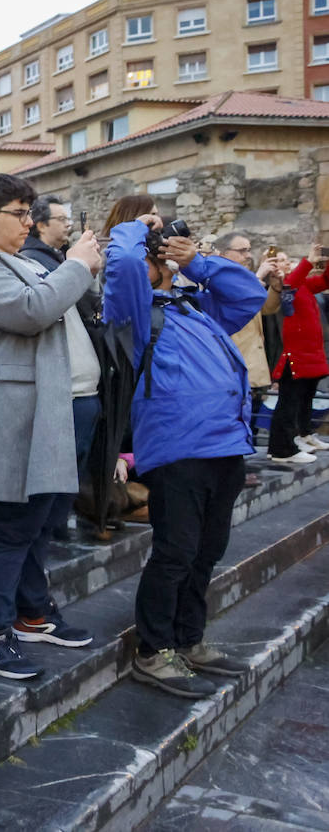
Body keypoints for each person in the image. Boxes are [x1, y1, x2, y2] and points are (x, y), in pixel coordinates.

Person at [104, 215, 266, 697]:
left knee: (207, 551)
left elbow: (249, 295)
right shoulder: (132, 309)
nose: (162, 263)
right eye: (158, 259)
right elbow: (124, 266)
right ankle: (154, 651)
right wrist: (136, 226)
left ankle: (188, 639)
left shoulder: (195, 306)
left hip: (227, 445)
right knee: (175, 552)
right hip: (178, 448)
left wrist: (195, 260)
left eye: (163, 257)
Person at [0, 173, 102, 682]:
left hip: (38, 410)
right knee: (8, 523)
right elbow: (35, 310)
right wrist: (77, 263)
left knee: (36, 520)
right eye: (20, 212)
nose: (28, 223)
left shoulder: (11, 261)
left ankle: (32, 612)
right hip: (9, 414)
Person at [18, 196, 101, 540]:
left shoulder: (57, 258)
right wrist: (77, 267)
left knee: (72, 465)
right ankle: (49, 531)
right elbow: (47, 306)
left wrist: (88, 270)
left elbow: (89, 303)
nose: (68, 224)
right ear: (39, 224)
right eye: (61, 218)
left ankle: (53, 528)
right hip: (64, 384)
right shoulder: (29, 261)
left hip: (81, 382)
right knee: (57, 470)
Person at [215, 231, 281, 485]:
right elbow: (238, 298)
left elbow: (267, 307)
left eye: (249, 249)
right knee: (234, 421)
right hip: (233, 360)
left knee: (248, 421)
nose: (248, 255)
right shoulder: (219, 277)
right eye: (241, 250)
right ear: (224, 254)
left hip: (253, 359)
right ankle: (233, 472)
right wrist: (259, 277)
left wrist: (275, 285)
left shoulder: (246, 278)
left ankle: (241, 469)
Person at [266, 244, 329, 464]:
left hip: (310, 355)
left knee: (305, 400)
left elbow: (324, 282)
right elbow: (290, 285)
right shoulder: (284, 286)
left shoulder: (303, 285)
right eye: (281, 260)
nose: (286, 263)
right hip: (293, 357)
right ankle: (281, 449)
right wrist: (308, 262)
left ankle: (304, 435)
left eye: (288, 260)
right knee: (288, 404)